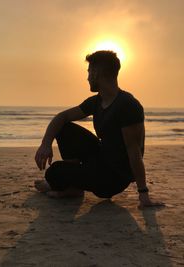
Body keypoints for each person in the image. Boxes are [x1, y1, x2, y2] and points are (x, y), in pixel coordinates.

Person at [35, 50, 164, 208]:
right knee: (64, 128)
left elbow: (134, 152)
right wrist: (45, 144)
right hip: (102, 157)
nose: (87, 77)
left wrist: (143, 195)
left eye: (89, 72)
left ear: (96, 73)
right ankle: (73, 187)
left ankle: (69, 185)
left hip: (113, 177)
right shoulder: (96, 101)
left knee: (54, 172)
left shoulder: (127, 105)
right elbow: (62, 117)